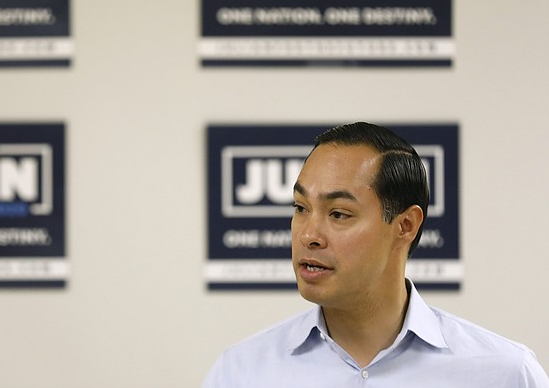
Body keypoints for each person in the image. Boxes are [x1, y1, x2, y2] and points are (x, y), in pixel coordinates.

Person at [202, 122, 549, 387]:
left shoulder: (504, 373)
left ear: (405, 226)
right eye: (300, 207)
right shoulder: (240, 373)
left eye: (338, 214)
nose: (308, 234)